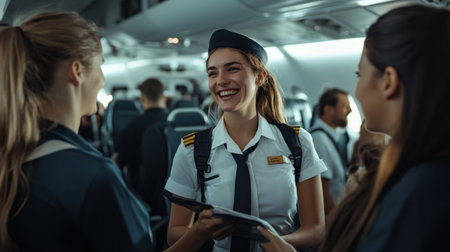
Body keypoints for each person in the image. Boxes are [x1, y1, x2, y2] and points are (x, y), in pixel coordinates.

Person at [0, 11, 229, 252]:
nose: (102, 79)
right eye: (100, 65)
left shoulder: (14, 152)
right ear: (77, 71)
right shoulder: (94, 177)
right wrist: (199, 233)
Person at [259, 4, 450, 252]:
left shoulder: (417, 192)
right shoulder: (427, 174)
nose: (357, 91)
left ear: (389, 82)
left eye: (359, 75)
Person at [164, 29, 327, 251]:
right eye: (213, 73)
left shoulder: (296, 143)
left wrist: (279, 243)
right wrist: (199, 231)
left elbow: (316, 228)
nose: (221, 81)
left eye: (232, 69)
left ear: (260, 77)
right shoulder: (192, 150)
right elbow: (174, 232)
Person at [310, 88, 357, 214]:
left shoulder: (331, 136)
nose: (350, 111)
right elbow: (323, 191)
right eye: (345, 106)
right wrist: (336, 223)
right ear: (328, 109)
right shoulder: (319, 140)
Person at [116, 78, 168, 189]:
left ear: (142, 98)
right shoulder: (176, 125)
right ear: (164, 98)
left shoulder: (130, 129)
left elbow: (121, 163)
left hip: (143, 195)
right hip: (178, 193)